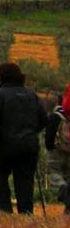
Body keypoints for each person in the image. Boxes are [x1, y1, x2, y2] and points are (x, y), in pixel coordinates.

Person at [0, 62, 48, 214]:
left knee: (0, 177)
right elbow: (44, 120)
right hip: (28, 146)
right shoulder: (31, 95)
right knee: (25, 181)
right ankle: (26, 214)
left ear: (1, 76)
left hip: (4, 146)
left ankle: (4, 213)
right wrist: (31, 131)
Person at [44, 88, 70, 218]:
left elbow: (49, 137)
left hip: (57, 150)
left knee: (55, 174)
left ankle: (64, 191)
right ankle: (68, 210)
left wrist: (49, 147)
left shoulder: (56, 116)